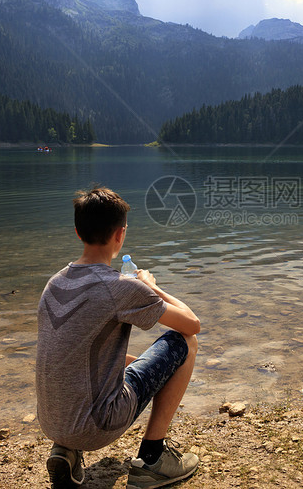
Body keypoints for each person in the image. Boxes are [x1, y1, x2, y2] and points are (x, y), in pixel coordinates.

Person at [36, 187, 201, 489]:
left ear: (77, 232)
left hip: (52, 422)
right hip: (97, 425)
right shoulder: (119, 287)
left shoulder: (54, 284)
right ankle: (153, 459)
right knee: (184, 344)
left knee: (123, 364)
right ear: (120, 235)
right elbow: (192, 324)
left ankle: (66, 451)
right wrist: (150, 286)